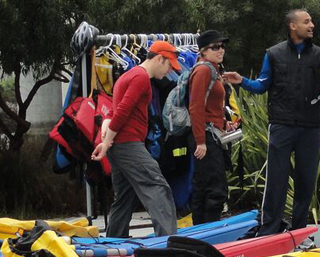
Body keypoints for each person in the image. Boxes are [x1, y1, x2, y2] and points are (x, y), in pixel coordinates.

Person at [223, 9, 320, 235]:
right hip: (281, 125)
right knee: (277, 181)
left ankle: (300, 232)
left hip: (310, 126)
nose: (312, 25)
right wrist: (242, 81)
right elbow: (262, 85)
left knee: (306, 182)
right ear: (293, 26)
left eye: (311, 21)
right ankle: (270, 231)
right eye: (306, 21)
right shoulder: (273, 54)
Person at [92, 40, 181, 238]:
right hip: (128, 145)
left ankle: (114, 243)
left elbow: (115, 110)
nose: (170, 72)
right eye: (169, 65)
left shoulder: (128, 75)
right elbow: (123, 111)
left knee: (125, 197)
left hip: (120, 146)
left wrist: (106, 128)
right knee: (158, 188)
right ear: (159, 59)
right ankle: (169, 242)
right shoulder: (141, 77)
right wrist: (106, 143)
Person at [188, 30, 238, 224]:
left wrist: (224, 123)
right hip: (205, 136)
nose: (221, 50)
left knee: (203, 187)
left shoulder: (213, 70)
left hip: (211, 132)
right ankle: (209, 234)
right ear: (203, 51)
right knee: (216, 190)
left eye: (222, 46)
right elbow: (196, 106)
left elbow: (210, 107)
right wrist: (200, 141)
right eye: (215, 47)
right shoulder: (203, 70)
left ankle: (200, 234)